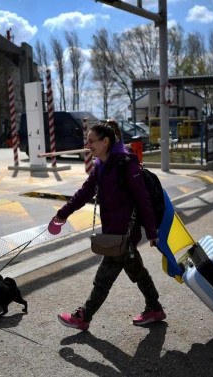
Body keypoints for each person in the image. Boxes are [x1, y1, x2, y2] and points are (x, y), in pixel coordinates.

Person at [51, 121, 166, 331]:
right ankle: (154, 307)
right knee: (137, 271)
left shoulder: (126, 165)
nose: (88, 145)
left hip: (124, 234)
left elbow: (143, 200)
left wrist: (151, 231)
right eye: (87, 141)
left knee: (103, 278)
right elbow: (83, 193)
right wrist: (62, 214)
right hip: (114, 233)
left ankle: (84, 316)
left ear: (105, 141)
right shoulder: (100, 168)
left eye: (92, 141)